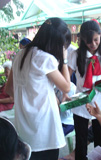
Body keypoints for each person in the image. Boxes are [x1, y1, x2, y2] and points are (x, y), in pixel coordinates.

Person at [5, 18, 71, 160]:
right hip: (44, 129)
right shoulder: (45, 58)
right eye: (62, 44)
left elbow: (9, 89)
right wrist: (65, 59)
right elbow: (66, 86)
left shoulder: (19, 55)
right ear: (54, 42)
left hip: (24, 126)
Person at [67, 20, 101, 160]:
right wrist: (65, 93)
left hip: (100, 103)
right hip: (81, 102)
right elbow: (66, 78)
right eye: (88, 42)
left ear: (100, 36)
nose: (93, 44)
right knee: (81, 140)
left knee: (100, 141)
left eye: (96, 40)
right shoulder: (75, 55)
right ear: (81, 40)